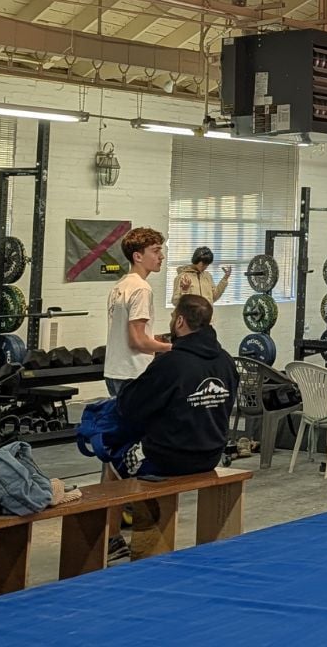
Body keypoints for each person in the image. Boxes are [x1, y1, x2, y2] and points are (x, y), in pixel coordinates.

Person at [101, 293, 238, 559]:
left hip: (168, 460)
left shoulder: (171, 363)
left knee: (107, 447)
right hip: (210, 455)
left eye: (174, 316)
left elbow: (130, 408)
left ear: (180, 322)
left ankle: (111, 538)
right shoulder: (226, 361)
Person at [104, 227, 171, 396]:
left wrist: (154, 339)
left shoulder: (120, 286)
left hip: (114, 372)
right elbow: (137, 341)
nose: (161, 257)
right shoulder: (141, 289)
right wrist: (173, 348)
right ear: (138, 256)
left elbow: (130, 335)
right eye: (156, 251)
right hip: (132, 374)